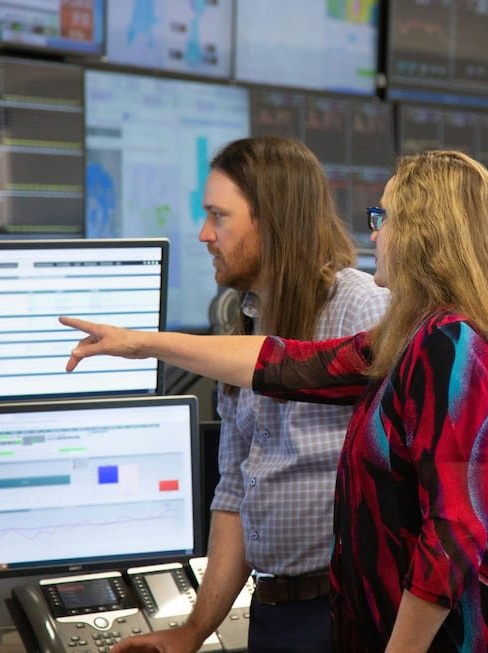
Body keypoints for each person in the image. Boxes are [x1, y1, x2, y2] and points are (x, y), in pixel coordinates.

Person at [61, 150, 488, 652]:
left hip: (473, 632)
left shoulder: (453, 345)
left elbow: (453, 532)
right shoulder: (414, 338)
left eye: (383, 217)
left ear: (423, 232)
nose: (373, 233)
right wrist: (141, 342)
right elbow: (289, 364)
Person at [115, 137, 388, 653]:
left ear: (273, 220)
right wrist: (194, 630)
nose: (204, 234)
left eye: (220, 217)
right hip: (273, 614)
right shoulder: (242, 322)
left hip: (346, 611)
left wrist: (142, 344)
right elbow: (236, 491)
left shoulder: (359, 310)